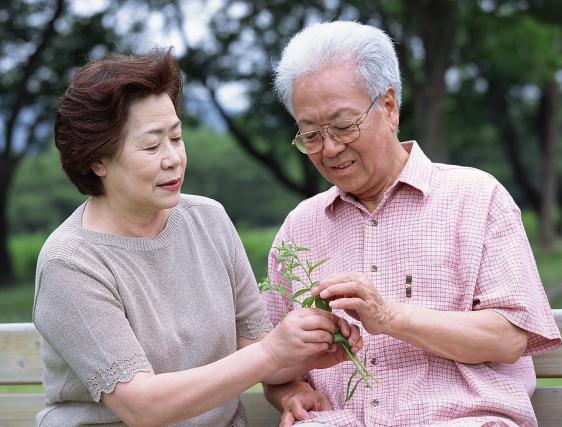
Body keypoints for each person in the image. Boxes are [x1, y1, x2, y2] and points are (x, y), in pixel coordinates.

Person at [32, 48, 363, 426]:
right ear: (97, 161)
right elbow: (143, 406)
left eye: (176, 137)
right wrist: (273, 353)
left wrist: (299, 366)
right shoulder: (71, 263)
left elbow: (253, 345)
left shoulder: (209, 219)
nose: (173, 158)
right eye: (152, 145)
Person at [261, 21, 562, 427]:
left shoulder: (476, 198)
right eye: (311, 135)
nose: (329, 148)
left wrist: (388, 317)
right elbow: (273, 362)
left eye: (343, 126)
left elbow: (509, 338)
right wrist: (291, 392)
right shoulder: (300, 227)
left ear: (388, 107)